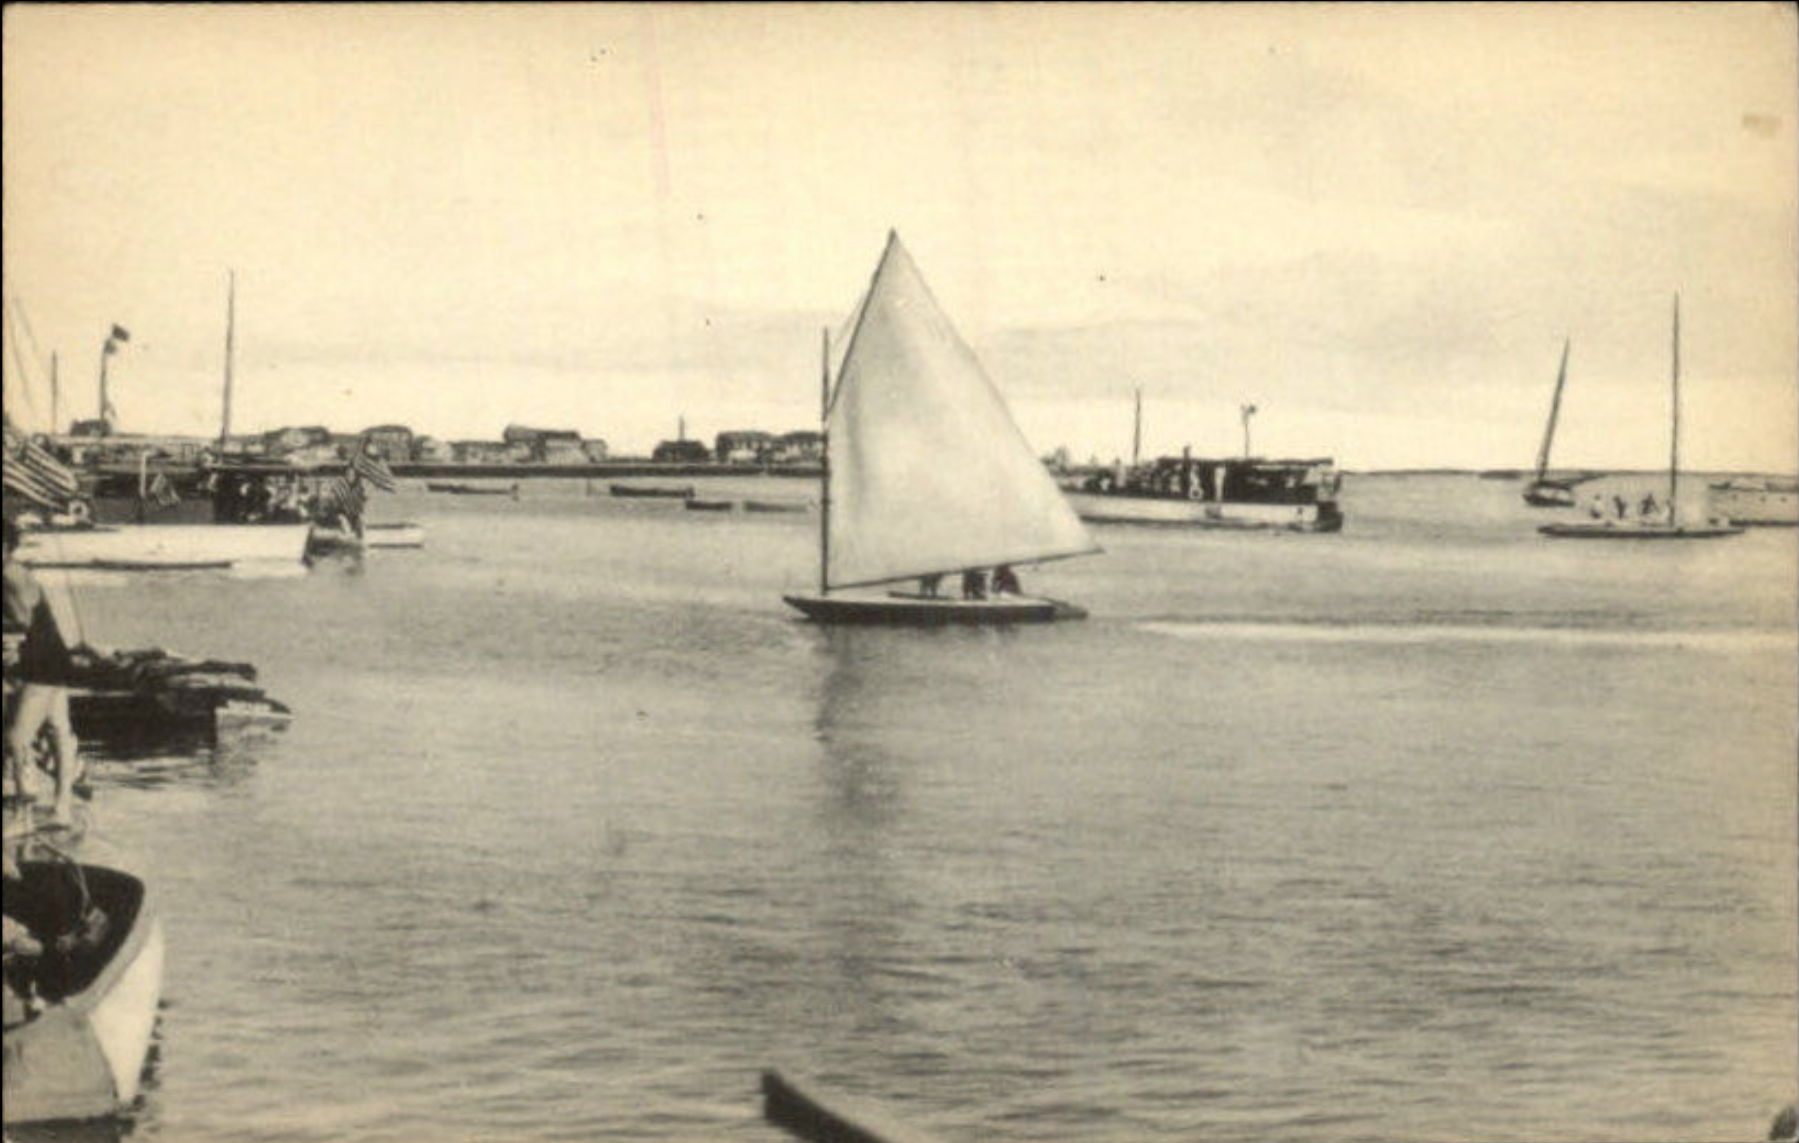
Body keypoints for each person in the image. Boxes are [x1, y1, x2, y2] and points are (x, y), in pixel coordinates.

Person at [3, 518, 82, 824]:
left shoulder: (10, 576)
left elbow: (21, 622)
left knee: (16, 739)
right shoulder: (13, 572)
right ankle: (62, 807)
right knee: (58, 730)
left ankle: (24, 809)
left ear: (8, 548)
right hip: (52, 657)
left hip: (41, 664)